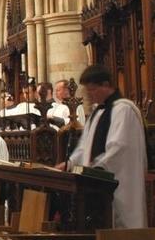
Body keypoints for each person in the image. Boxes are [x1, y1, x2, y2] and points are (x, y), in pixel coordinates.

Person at [57, 65, 147, 228]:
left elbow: (119, 148)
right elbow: (85, 147)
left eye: (92, 90)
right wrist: (69, 164)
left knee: (121, 227)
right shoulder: (98, 113)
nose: (89, 96)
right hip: (95, 183)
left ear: (106, 85)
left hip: (120, 185)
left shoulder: (123, 110)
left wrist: (93, 168)